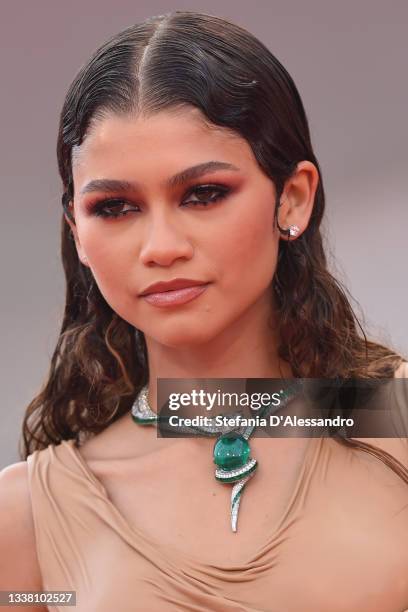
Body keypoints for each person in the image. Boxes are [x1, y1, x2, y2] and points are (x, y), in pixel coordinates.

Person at [0, 10, 407, 612]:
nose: (162, 246)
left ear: (293, 198)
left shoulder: (393, 420)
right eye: (115, 207)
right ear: (77, 232)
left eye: (204, 194)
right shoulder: (29, 517)